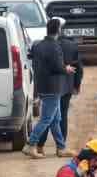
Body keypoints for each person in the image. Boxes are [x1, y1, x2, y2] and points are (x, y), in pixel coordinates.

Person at [25, 20, 76, 159]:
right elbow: (57, 67)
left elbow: (32, 58)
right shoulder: (55, 46)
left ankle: (61, 147)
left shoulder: (38, 45)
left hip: (41, 86)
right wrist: (67, 68)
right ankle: (30, 144)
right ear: (58, 29)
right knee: (46, 119)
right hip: (53, 87)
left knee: (56, 119)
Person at [52, 19, 84, 158]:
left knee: (49, 115)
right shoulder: (72, 46)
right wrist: (77, 85)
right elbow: (79, 68)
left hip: (50, 86)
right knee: (62, 114)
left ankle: (40, 146)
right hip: (67, 86)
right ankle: (61, 145)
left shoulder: (46, 45)